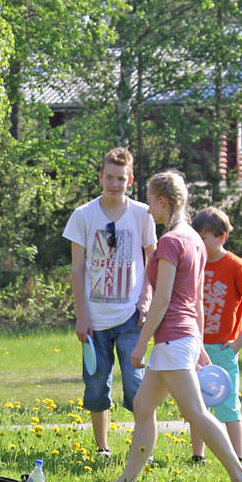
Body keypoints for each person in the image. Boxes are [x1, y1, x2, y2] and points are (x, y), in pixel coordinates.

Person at [108, 171, 242, 482]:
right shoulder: (193, 239)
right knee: (143, 407)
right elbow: (197, 301)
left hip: (173, 338)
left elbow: (161, 299)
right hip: (182, 338)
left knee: (196, 413)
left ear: (163, 201)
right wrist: (200, 343)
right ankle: (125, 480)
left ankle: (240, 477)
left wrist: (140, 344)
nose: (148, 209)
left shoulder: (172, 242)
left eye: (150, 201)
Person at [63, 147, 157, 457]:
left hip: (132, 317)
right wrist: (81, 316)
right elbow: (77, 269)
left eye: (121, 179)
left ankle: (142, 447)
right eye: (109, 178)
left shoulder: (143, 214)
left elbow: (153, 260)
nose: (114, 184)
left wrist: (146, 300)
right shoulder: (83, 215)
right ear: (100, 177)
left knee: (137, 385)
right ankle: (102, 448)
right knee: (95, 385)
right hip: (94, 319)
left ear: (130, 180)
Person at [188, 206, 242, 465]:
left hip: (223, 348)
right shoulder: (194, 263)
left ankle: (239, 458)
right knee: (197, 405)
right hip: (197, 347)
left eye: (203, 237)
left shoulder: (236, 266)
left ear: (221, 237)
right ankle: (198, 456)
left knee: (228, 404)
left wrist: (238, 343)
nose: (198, 242)